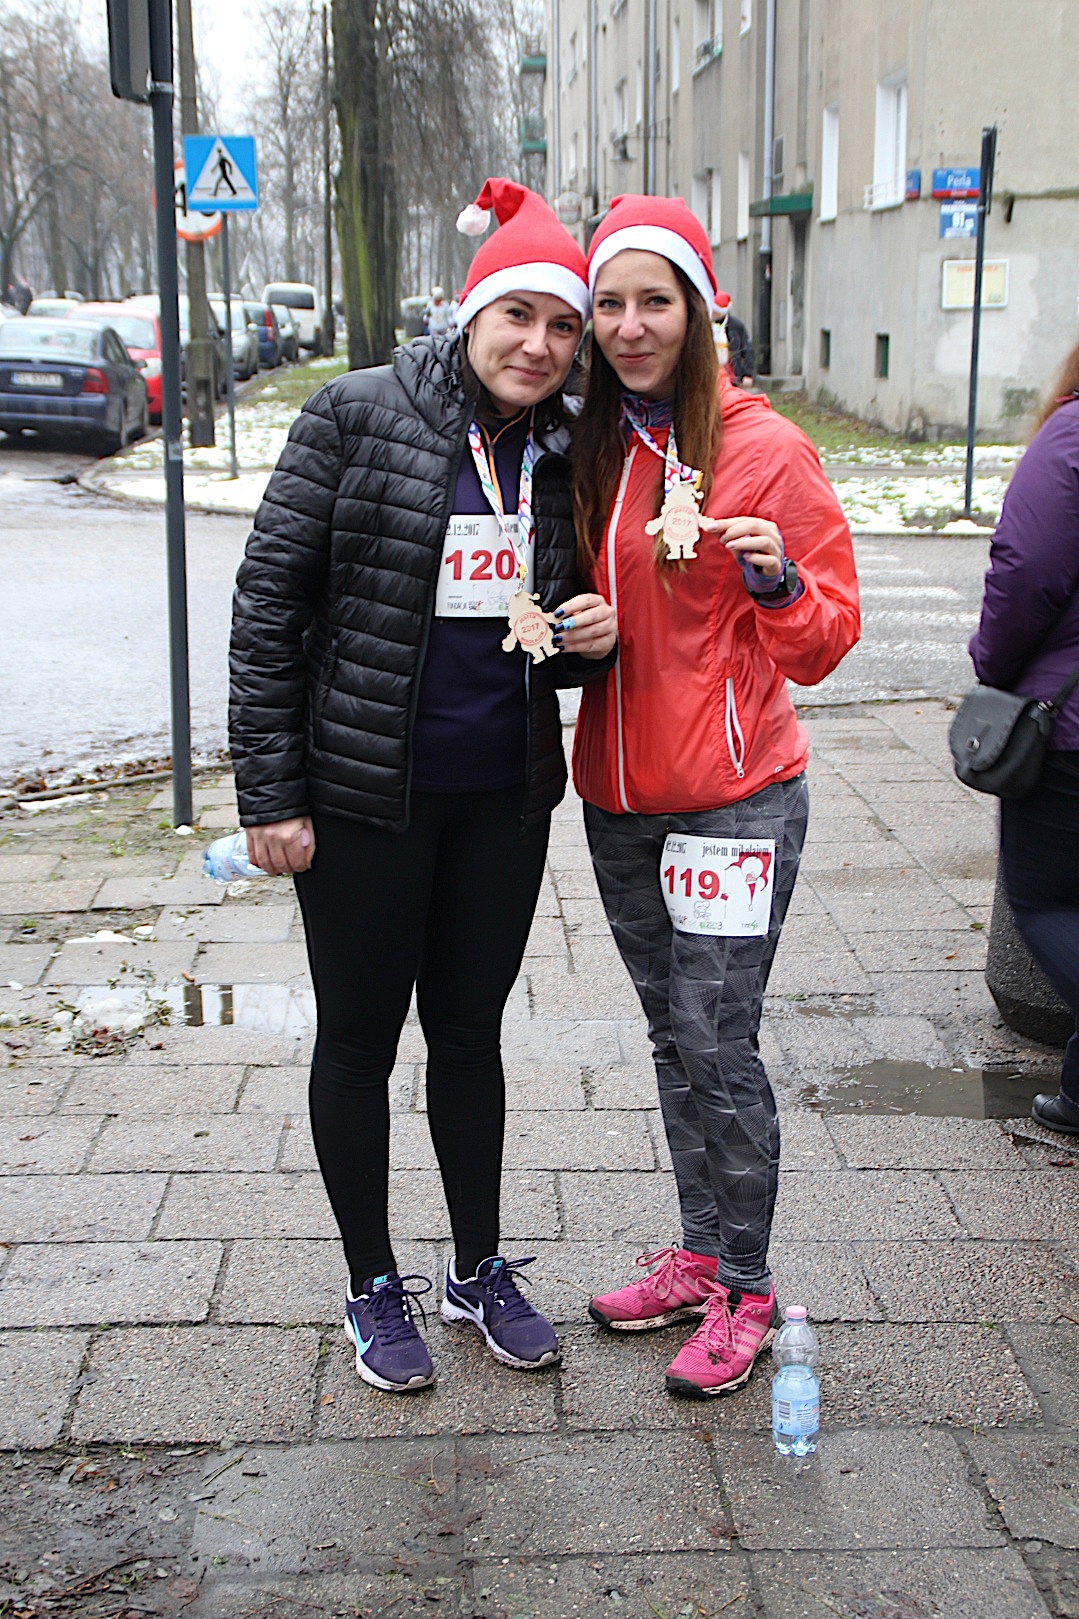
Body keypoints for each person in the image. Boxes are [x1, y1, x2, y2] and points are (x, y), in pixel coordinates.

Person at [229, 176, 617, 1393]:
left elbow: (535, 618)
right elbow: (267, 607)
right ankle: (370, 1280)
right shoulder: (355, 416)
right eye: (518, 317)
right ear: (470, 312)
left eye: (561, 326)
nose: (538, 345)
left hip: (499, 797)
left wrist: (584, 635)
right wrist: (269, 795)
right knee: (357, 1038)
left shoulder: (560, 446)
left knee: (468, 1034)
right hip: (361, 797)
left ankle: (477, 1264)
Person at [571, 194, 859, 1398]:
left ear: (696, 311)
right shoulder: (588, 443)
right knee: (669, 1036)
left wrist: (778, 581)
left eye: (655, 300)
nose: (630, 325)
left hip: (734, 800)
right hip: (617, 799)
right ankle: (697, 1254)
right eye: (610, 303)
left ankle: (743, 1284)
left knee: (713, 1038)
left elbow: (826, 640)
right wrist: (574, 636)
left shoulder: (763, 448)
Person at [970, 343, 1079, 1137]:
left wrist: (992, 667)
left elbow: (1024, 571)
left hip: (1067, 726)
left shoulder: (1069, 438)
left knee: (1042, 900)